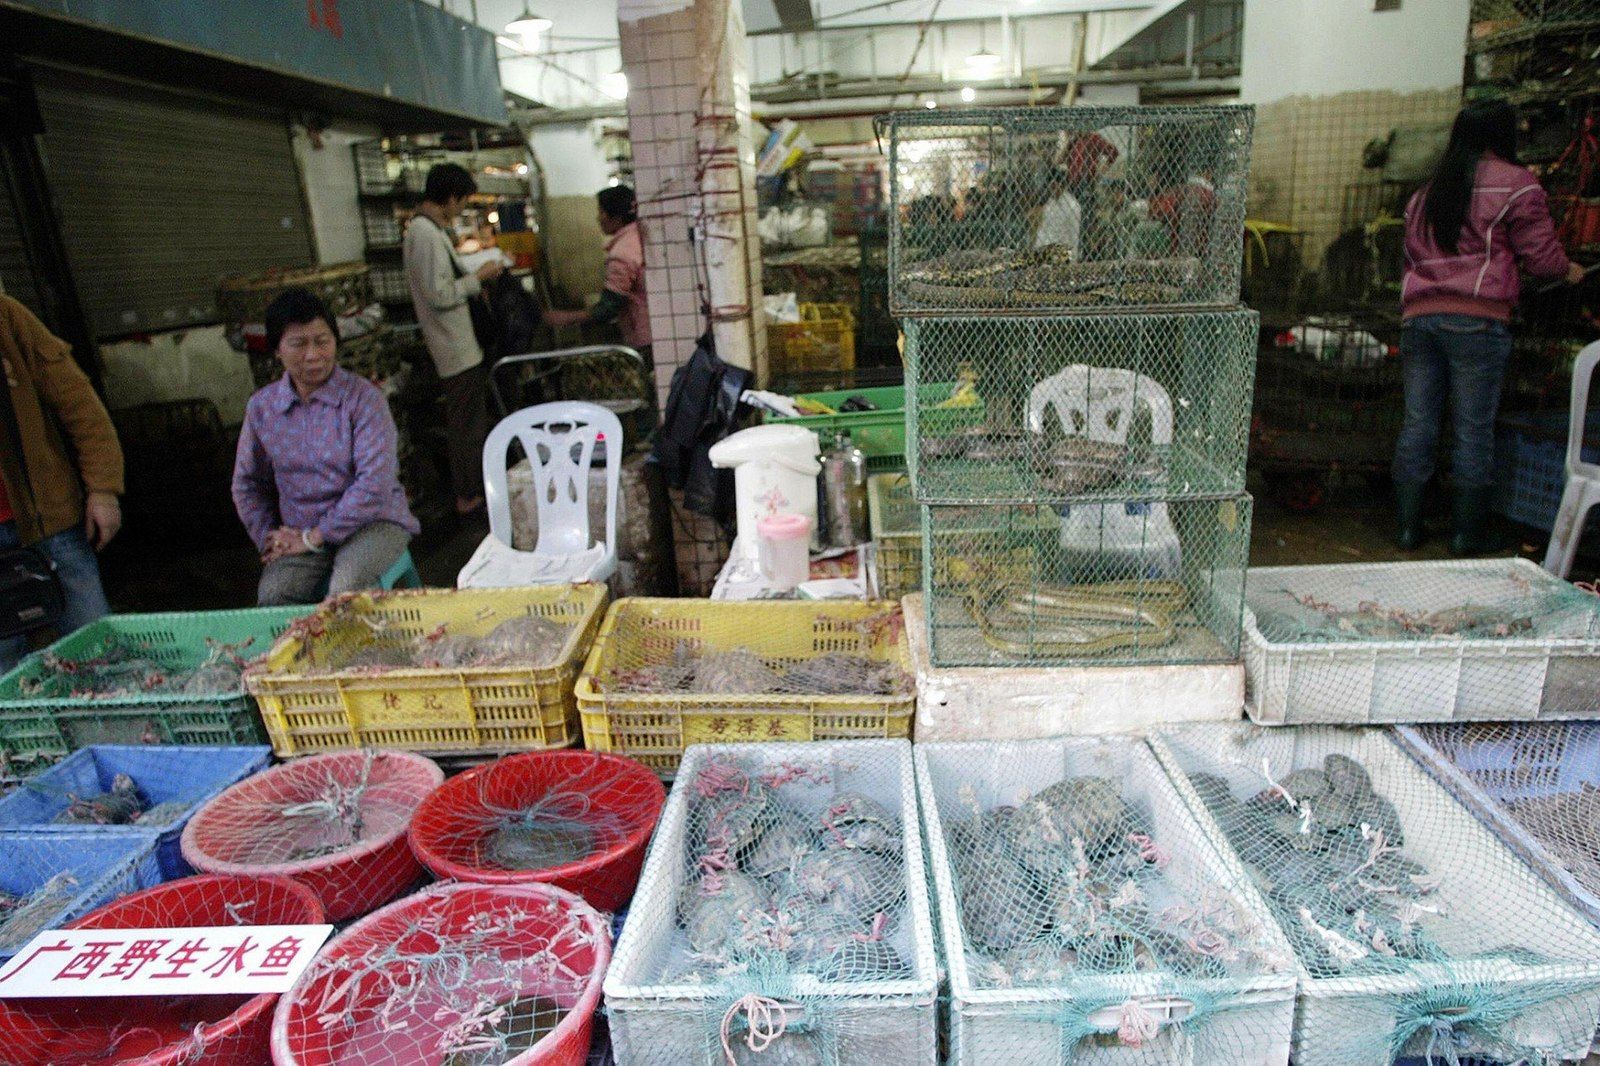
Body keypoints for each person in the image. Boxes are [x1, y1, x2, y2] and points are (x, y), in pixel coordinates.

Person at [1392, 100, 1585, 554]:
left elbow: (1410, 256)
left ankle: (1407, 529)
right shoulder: (1516, 184)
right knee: (1472, 428)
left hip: (1419, 319)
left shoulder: (1426, 192)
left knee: (1418, 422)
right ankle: (1466, 535)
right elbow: (1542, 259)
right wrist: (1569, 270)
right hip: (1476, 321)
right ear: (1504, 135)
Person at [232, 289, 420, 606]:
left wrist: (315, 537)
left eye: (322, 341)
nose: (313, 355)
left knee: (346, 589)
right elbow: (247, 483)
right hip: (301, 530)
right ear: (277, 350)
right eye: (298, 344)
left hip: (373, 523)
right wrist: (270, 538)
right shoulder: (262, 408)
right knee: (274, 594)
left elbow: (375, 483)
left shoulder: (363, 400)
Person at [0, 294, 122, 670]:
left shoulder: (7, 318)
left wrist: (103, 489)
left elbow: (79, 404)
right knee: (6, 674)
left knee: (95, 650)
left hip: (48, 524)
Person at [404, 162, 503, 515]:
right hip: (454, 346)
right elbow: (439, 294)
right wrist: (479, 278)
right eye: (462, 201)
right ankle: (468, 495)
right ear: (450, 198)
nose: (461, 209)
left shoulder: (428, 231)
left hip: (457, 343)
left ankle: (470, 490)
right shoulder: (425, 234)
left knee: (468, 421)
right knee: (466, 425)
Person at [546, 185, 652, 365]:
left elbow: (608, 308)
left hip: (644, 337)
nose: (598, 218)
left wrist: (565, 318)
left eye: (601, 212)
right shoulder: (641, 235)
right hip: (657, 327)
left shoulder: (621, 254)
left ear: (616, 217)